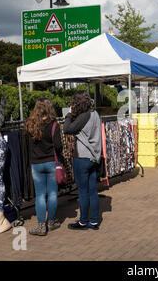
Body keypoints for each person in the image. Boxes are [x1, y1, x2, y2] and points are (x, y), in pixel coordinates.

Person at [64, 91, 102, 230]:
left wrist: (68, 114)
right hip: (93, 157)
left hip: (82, 157)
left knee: (83, 192)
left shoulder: (83, 116)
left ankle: (83, 221)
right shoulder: (95, 114)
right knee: (92, 190)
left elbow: (67, 129)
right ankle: (94, 221)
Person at [25, 98, 62, 236]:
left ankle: (41, 225)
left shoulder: (31, 124)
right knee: (52, 193)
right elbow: (58, 146)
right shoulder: (54, 124)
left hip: (36, 163)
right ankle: (51, 222)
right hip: (51, 162)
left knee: (40, 195)